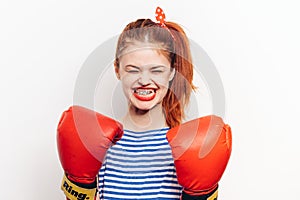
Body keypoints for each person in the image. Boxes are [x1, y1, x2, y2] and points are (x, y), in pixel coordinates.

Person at [57, 7, 232, 200]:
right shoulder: (99, 143)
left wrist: (199, 195)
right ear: (117, 70)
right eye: (133, 70)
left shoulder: (187, 146)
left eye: (156, 70)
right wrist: (78, 184)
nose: (144, 80)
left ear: (172, 72)